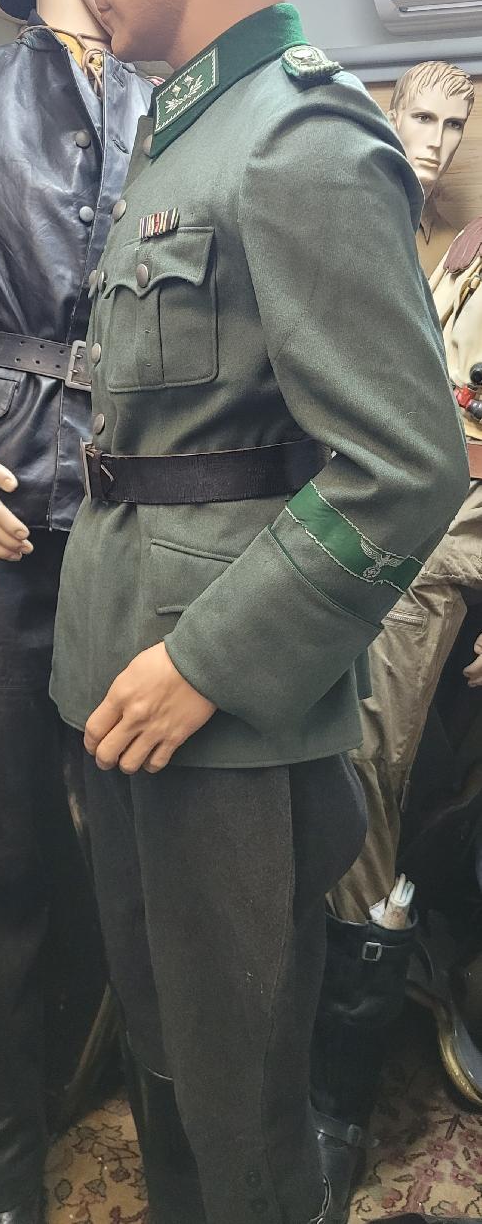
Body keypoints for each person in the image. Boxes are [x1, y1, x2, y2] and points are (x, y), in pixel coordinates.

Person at [30, 0, 468, 1224]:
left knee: (237, 1117)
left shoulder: (297, 141)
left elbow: (403, 467)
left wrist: (205, 663)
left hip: (216, 722)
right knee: (165, 1071)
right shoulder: (184, 135)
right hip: (126, 694)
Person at [0, 0, 151, 1224]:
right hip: (3, 528)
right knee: (5, 856)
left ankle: (118, 1100)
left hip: (143, 522)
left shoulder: (186, 108)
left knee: (145, 847)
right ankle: (6, 1168)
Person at [311, 209, 482, 1213]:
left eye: (453, 130)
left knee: (372, 752)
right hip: (399, 504)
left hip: (454, 532)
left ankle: (338, 1098)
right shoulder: (452, 253)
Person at [387, 60, 474, 275]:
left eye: (454, 124)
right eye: (423, 118)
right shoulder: (349, 221)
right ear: (392, 123)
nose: (437, 141)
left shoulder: (456, 249)